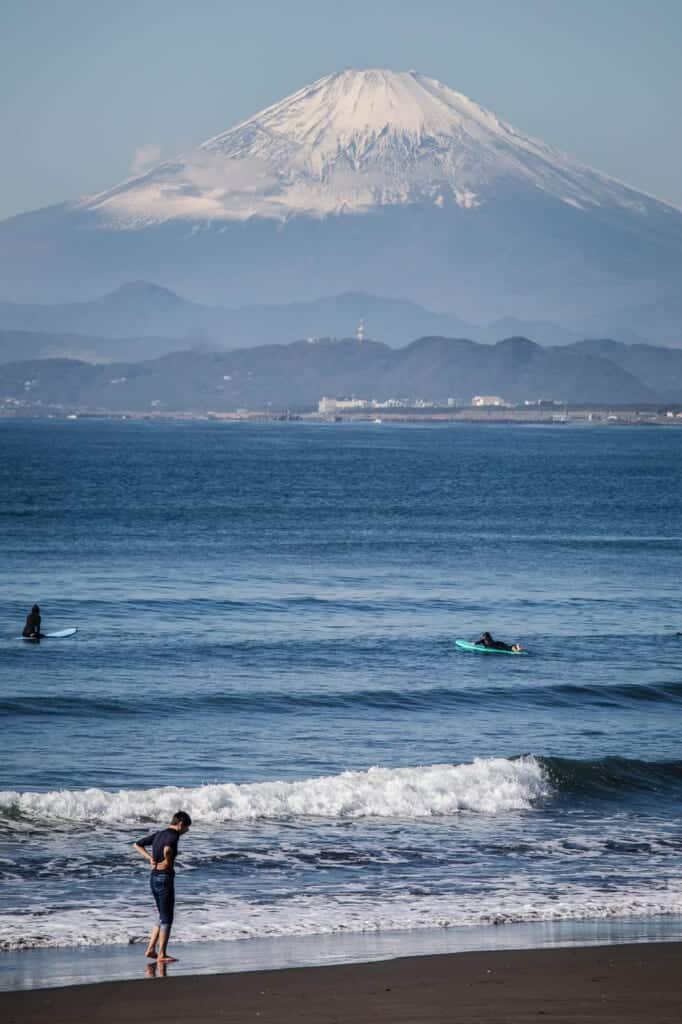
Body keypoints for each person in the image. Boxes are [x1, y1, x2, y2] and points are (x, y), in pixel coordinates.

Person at [133, 810, 192, 963]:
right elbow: (167, 849)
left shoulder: (159, 834)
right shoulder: (174, 836)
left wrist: (150, 858)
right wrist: (168, 860)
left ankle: (151, 949)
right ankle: (161, 954)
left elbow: (137, 844)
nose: (187, 831)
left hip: (153, 877)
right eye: (186, 828)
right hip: (164, 878)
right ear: (180, 824)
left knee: (161, 916)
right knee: (167, 918)